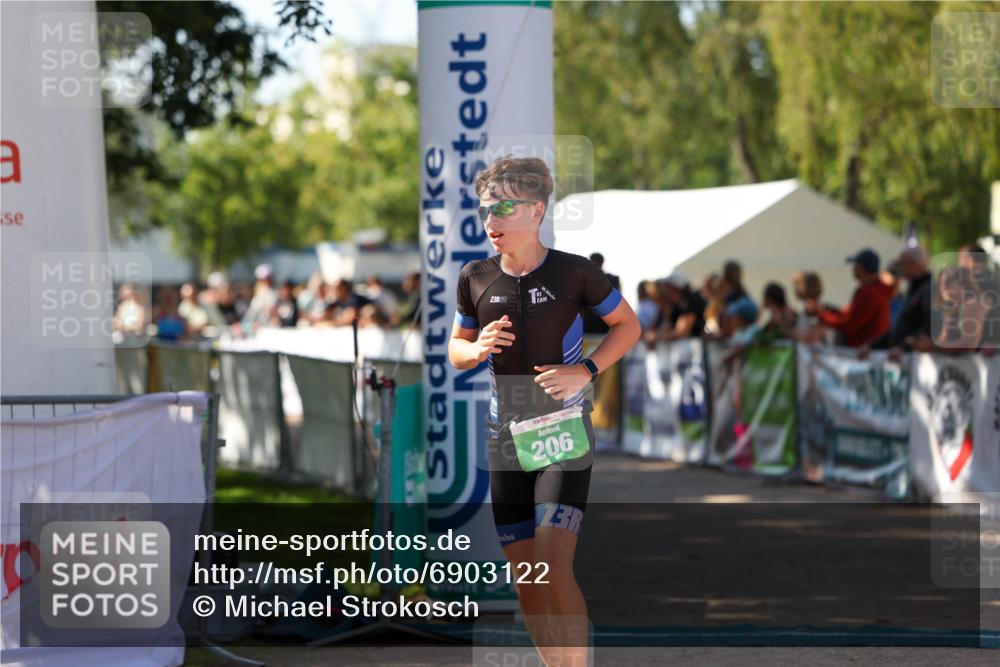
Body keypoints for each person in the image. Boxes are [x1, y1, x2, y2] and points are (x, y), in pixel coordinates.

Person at [448, 157, 640, 667]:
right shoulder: (475, 276)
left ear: (536, 210)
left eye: (504, 207)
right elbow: (456, 350)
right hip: (505, 438)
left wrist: (589, 370)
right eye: (486, 208)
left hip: (562, 433)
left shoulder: (575, 271)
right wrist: (478, 348)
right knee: (527, 579)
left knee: (554, 568)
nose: (492, 220)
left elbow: (628, 326)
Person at [806, 248, 893, 347]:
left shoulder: (871, 293)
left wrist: (820, 313)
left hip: (866, 354)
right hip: (867, 352)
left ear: (860, 267)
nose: (853, 269)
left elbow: (848, 324)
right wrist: (825, 309)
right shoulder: (873, 289)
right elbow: (847, 315)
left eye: (855, 265)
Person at [862, 246, 932, 358]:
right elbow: (899, 329)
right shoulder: (914, 291)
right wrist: (871, 346)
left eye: (902, 264)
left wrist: (904, 348)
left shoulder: (928, 290)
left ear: (913, 264)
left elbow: (928, 328)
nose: (901, 268)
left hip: (915, 362)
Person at [645, 271, 706, 345]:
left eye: (669, 286)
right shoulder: (676, 305)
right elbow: (670, 328)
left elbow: (682, 332)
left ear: (676, 287)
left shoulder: (692, 300)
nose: (666, 290)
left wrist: (656, 336)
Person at [582, 253, 621, 334]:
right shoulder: (613, 280)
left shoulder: (584, 279)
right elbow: (618, 300)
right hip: (608, 323)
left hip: (589, 325)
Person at [241, 264, 278, 331]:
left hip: (268, 329)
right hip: (260, 329)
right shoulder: (260, 294)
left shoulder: (272, 294)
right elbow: (250, 315)